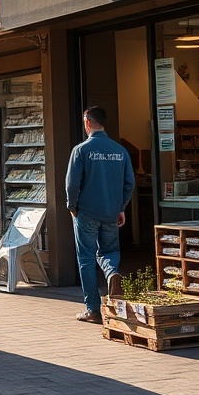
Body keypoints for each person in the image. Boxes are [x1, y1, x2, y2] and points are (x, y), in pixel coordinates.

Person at [65, 105, 136, 324]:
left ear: (87, 122)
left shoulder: (81, 150)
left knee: (86, 258)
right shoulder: (120, 150)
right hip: (111, 213)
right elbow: (130, 183)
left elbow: (71, 184)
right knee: (109, 250)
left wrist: (72, 206)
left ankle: (93, 309)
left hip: (86, 212)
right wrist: (121, 207)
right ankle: (112, 272)